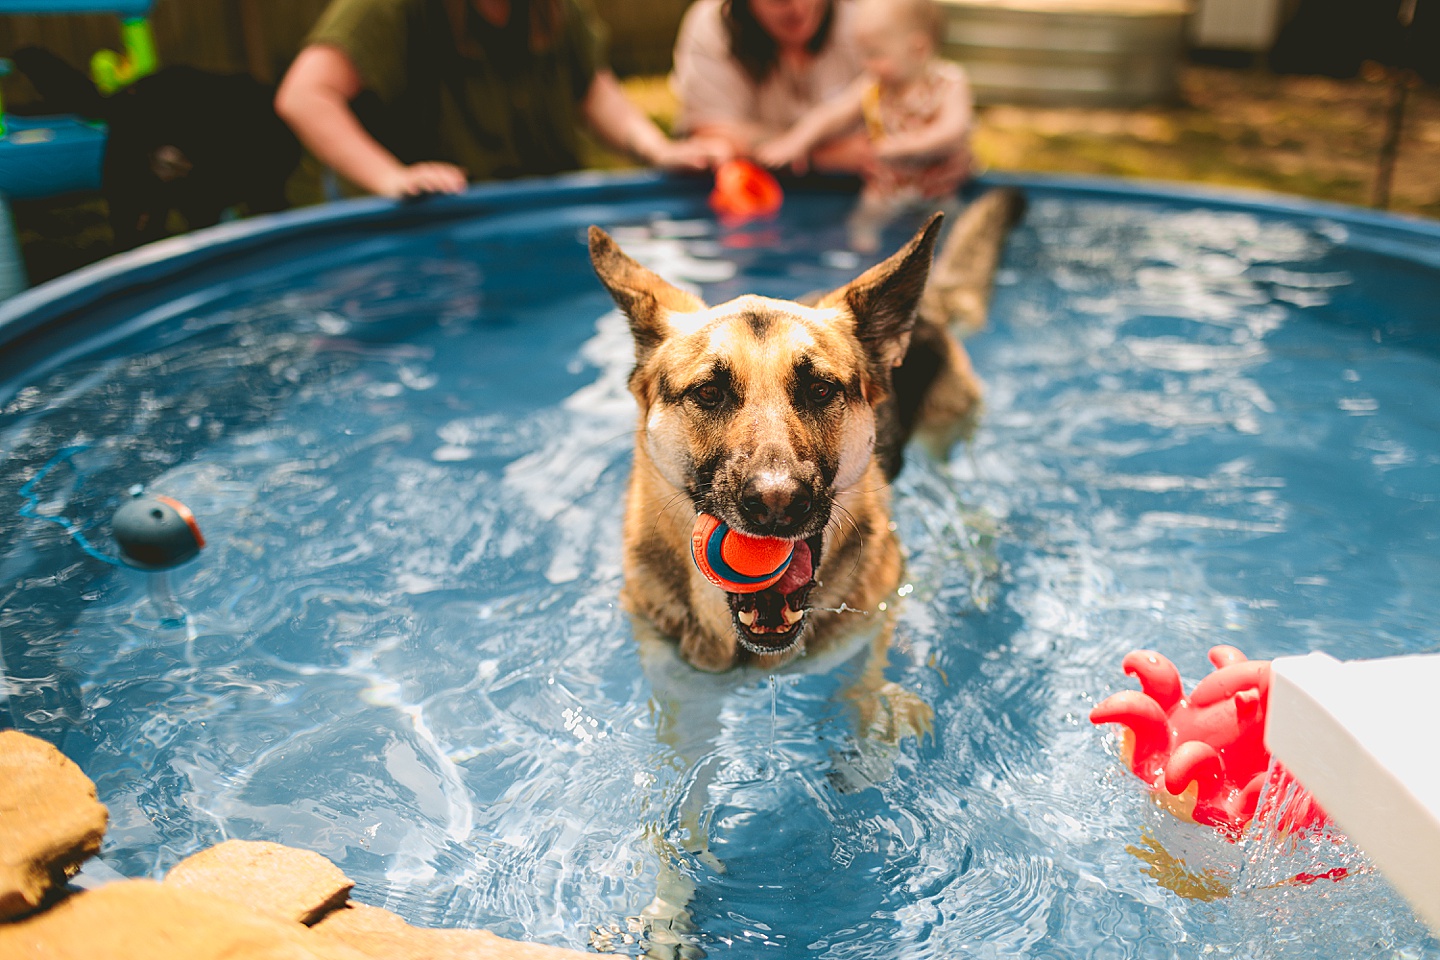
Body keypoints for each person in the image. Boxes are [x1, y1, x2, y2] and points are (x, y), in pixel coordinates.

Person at [275, 0, 730, 198]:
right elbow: (305, 94)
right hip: (425, 223)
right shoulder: (390, 9)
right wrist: (393, 177)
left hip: (531, 209)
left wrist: (657, 149)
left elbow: (593, 92)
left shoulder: (553, 9)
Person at [755, 0, 973, 251]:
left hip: (937, 188)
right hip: (886, 188)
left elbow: (953, 129)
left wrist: (907, 147)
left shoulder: (948, 83)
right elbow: (831, 114)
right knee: (862, 225)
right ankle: (864, 259)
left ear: (918, 49)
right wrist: (796, 141)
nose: (865, 63)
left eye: (875, 54)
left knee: (951, 233)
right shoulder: (874, 86)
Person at [670, 0, 874, 173]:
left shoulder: (868, 13)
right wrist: (825, 156)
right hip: (760, 187)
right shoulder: (712, 26)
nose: (798, 8)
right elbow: (713, 131)